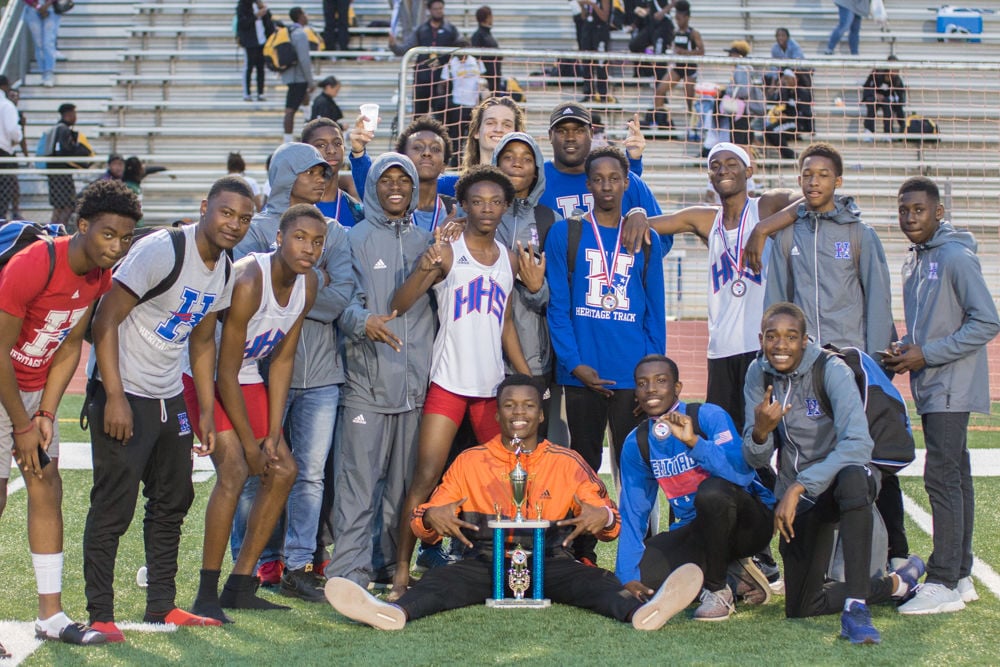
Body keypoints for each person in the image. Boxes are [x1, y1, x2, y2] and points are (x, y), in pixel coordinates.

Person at [325, 375, 705, 631]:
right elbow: (423, 519)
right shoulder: (470, 461)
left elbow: (612, 523)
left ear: (541, 414)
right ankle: (391, 613)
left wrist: (601, 516)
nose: (519, 414)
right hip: (483, 561)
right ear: (497, 413)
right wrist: (432, 518)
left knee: (595, 584)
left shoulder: (567, 462)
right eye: (510, 406)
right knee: (439, 585)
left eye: (527, 407)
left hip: (551, 560)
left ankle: (643, 613)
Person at [83, 176, 256, 642]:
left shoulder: (224, 267)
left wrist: (202, 408)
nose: (234, 224)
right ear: (205, 207)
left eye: (243, 218)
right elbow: (105, 319)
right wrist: (114, 396)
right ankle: (100, 612)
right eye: (226, 213)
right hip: (124, 393)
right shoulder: (163, 249)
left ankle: (161, 604)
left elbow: (201, 340)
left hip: (167, 394)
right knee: (113, 507)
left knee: (173, 501)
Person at [0, 180, 139, 647]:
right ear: (82, 226)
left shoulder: (100, 274)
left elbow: (68, 348)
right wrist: (20, 423)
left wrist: (46, 412)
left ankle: (51, 615)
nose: (116, 246)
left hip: (33, 388)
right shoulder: (35, 264)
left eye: (124, 238)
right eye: (107, 235)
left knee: (47, 483)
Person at [743, 302, 926, 644]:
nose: (780, 345)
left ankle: (857, 609)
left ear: (805, 340)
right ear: (761, 339)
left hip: (835, 483)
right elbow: (754, 458)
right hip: (799, 499)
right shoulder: (758, 372)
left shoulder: (831, 370)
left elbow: (858, 444)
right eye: (772, 337)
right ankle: (898, 582)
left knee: (855, 476)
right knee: (802, 606)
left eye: (790, 337)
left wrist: (800, 486)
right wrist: (760, 433)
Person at [389, 166, 532, 598]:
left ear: (505, 207)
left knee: (510, 480)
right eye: (476, 201)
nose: (486, 209)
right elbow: (400, 302)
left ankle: (511, 570)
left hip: (491, 390)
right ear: (463, 206)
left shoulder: (509, 258)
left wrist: (525, 376)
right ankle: (400, 571)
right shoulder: (449, 250)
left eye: (494, 201)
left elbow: (505, 321)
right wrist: (425, 266)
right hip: (449, 382)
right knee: (426, 476)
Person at [187, 204, 324, 622]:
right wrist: (250, 444)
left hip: (246, 374)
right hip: (203, 375)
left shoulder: (309, 284)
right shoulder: (249, 278)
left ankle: (240, 585)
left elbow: (282, 360)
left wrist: (273, 431)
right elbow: (223, 370)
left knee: (283, 469)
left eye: (317, 242)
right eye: (299, 237)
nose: (309, 248)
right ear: (278, 238)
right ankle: (206, 593)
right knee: (234, 472)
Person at [230, 141, 352, 599]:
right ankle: (255, 565)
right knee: (252, 471)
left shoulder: (334, 232)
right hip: (257, 374)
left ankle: (300, 563)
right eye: (312, 172)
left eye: (326, 173)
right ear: (285, 175)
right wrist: (299, 293)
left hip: (320, 372)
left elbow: (342, 296)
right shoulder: (252, 230)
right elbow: (242, 295)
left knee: (310, 475)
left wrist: (293, 297)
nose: (323, 180)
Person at [544, 146, 666, 564]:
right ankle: (582, 549)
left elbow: (655, 310)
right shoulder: (567, 232)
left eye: (615, 178)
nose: (606, 186)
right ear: (587, 183)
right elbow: (558, 305)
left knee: (635, 466)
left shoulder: (644, 238)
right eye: (598, 179)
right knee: (583, 463)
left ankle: (641, 553)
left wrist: (652, 376)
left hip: (632, 375)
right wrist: (574, 362)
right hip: (582, 373)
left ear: (627, 183)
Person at [886, 177, 1000, 613]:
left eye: (918, 210)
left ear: (939, 213)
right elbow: (932, 324)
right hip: (933, 385)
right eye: (903, 210)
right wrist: (906, 348)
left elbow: (986, 321)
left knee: (941, 477)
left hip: (952, 385)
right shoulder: (914, 259)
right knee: (956, 476)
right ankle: (963, 573)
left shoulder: (954, 256)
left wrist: (927, 353)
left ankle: (944, 579)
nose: (910, 218)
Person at [328, 152, 435, 591]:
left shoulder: (428, 241)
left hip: (415, 390)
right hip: (366, 383)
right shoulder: (352, 239)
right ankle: (347, 572)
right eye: (387, 180)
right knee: (357, 486)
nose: (396, 187)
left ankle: (390, 565)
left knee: (401, 490)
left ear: (413, 188)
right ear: (372, 186)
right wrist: (361, 321)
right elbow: (339, 299)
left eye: (404, 180)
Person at [644, 143, 795, 432]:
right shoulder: (706, 218)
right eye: (715, 165)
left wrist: (763, 229)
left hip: (764, 345)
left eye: (731, 163)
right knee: (725, 436)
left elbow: (808, 199)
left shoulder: (765, 206)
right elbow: (648, 225)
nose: (722, 169)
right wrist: (637, 213)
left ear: (749, 171)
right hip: (721, 348)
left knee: (766, 433)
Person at [616, 355, 775, 621]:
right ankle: (737, 575)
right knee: (645, 575)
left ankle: (717, 589)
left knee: (712, 493)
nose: (651, 389)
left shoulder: (707, 416)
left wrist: (694, 442)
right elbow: (633, 512)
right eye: (642, 383)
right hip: (698, 531)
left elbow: (742, 475)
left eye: (661, 381)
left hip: (748, 524)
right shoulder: (638, 442)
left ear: (677, 388)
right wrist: (627, 577)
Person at [762, 142, 894, 357]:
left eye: (823, 175)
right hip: (802, 357)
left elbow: (879, 302)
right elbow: (775, 301)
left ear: (838, 181)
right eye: (807, 175)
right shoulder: (787, 236)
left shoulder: (860, 234)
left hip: (849, 354)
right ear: (799, 180)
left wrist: (875, 363)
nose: (814, 182)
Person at [491, 132, 559, 435]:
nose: (517, 164)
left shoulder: (549, 221)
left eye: (526, 158)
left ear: (537, 170)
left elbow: (557, 298)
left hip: (532, 357)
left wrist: (536, 289)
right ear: (496, 163)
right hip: (478, 355)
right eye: (509, 157)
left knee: (531, 449)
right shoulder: (472, 214)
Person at [389, 0, 459, 118]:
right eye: (436, 9)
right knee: (419, 116)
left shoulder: (450, 30)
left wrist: (444, 61)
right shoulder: (421, 30)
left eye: (441, 8)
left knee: (444, 118)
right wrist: (393, 45)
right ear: (429, 10)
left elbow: (461, 48)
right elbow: (405, 49)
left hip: (442, 82)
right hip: (422, 80)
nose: (438, 11)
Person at [395, 115, 455, 231]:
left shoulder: (457, 212)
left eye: (436, 149)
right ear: (402, 159)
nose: (427, 153)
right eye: (417, 147)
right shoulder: (386, 208)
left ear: (444, 165)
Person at [648, 0, 702, 129]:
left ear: (687, 17)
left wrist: (685, 52)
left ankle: (693, 124)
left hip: (690, 68)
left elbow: (702, 51)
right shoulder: (675, 32)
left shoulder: (693, 33)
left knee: (689, 98)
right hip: (678, 67)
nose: (678, 21)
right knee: (660, 90)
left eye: (680, 18)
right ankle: (659, 120)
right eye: (676, 18)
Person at [303, 118, 363, 227]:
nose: (331, 150)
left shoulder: (356, 210)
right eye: (321, 145)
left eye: (337, 143)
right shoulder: (289, 204)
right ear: (305, 150)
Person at [44, 103, 93, 227]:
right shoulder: (63, 129)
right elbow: (66, 151)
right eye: (74, 114)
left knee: (59, 206)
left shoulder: (56, 128)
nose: (75, 117)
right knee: (68, 206)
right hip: (61, 174)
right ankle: (58, 231)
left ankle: (52, 231)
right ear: (69, 115)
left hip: (55, 173)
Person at [441, 37, 485, 167]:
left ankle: (473, 161)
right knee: (456, 135)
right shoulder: (450, 64)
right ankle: (455, 163)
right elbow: (443, 84)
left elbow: (484, 79)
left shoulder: (476, 61)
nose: (463, 57)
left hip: (474, 104)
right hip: (457, 104)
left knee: (473, 135)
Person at [282, 7, 317, 143]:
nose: (307, 16)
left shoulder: (288, 32)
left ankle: (307, 123)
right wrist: (310, 80)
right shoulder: (300, 34)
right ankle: (287, 140)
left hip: (290, 75)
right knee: (290, 110)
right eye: (305, 13)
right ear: (300, 16)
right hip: (298, 77)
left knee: (305, 98)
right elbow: (304, 60)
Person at [576, 0, 615, 104]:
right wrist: (583, 6)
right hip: (587, 31)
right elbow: (584, 17)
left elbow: (604, 17)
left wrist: (592, 4)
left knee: (601, 64)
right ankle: (588, 93)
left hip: (600, 31)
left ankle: (603, 94)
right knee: (586, 64)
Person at [236, 0, 275, 102]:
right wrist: (256, 15)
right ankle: (247, 93)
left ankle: (260, 93)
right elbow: (242, 23)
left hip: (262, 41)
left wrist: (264, 9)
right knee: (249, 68)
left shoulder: (259, 5)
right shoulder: (242, 6)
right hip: (250, 42)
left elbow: (269, 21)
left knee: (261, 68)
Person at [628, 0, 675, 82]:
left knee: (659, 55)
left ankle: (660, 85)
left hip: (663, 24)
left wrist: (662, 12)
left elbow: (675, 2)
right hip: (652, 24)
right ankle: (648, 72)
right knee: (634, 45)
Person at [861, 56, 906, 140]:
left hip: (887, 100)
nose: (894, 71)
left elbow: (901, 97)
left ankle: (888, 133)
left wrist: (893, 99)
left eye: (896, 68)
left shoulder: (897, 80)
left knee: (889, 104)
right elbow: (866, 87)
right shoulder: (876, 73)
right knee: (871, 103)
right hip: (874, 98)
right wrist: (876, 94)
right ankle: (869, 132)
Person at [0, 75, 24, 220]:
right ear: (5, 86)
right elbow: (12, 131)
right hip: (3, 154)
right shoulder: (6, 105)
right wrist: (17, 139)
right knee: (3, 195)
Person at [23, 0, 61, 87]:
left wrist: (47, 4)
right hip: (32, 8)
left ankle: (49, 71)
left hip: (51, 7)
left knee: (48, 42)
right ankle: (43, 72)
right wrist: (37, 6)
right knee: (39, 43)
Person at [470, 5, 502, 95]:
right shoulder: (478, 35)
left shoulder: (487, 34)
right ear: (487, 18)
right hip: (487, 77)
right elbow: (476, 56)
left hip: (495, 75)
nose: (492, 19)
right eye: (491, 16)